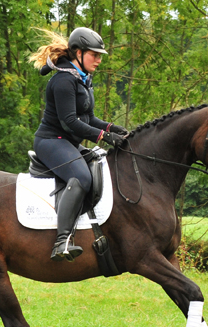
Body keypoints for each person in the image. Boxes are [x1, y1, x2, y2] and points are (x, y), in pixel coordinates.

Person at [29, 27, 128, 262]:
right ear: (78, 53)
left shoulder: (82, 79)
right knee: (82, 177)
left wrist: (114, 129)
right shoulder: (64, 80)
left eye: (100, 55)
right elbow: (70, 122)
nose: (99, 59)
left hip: (66, 141)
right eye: (95, 54)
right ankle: (62, 241)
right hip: (51, 141)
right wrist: (103, 137)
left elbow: (89, 119)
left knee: (100, 166)